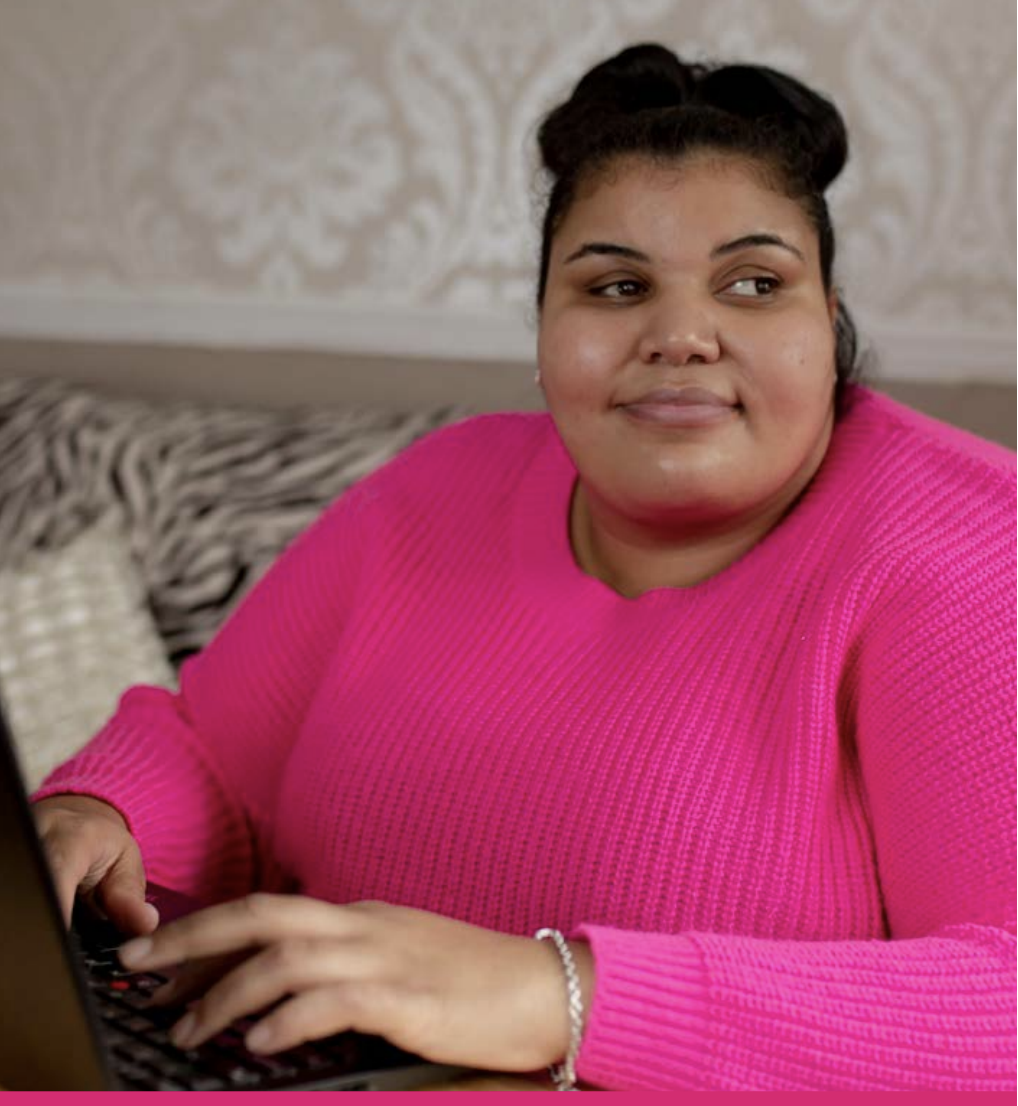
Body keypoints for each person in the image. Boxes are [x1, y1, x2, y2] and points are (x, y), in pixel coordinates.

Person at [31, 44, 1015, 1091]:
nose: (681, 333)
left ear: (828, 321)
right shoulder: (439, 489)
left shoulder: (963, 554)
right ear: (545, 328)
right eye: (616, 284)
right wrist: (102, 817)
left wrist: (562, 993)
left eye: (753, 282)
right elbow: (217, 760)